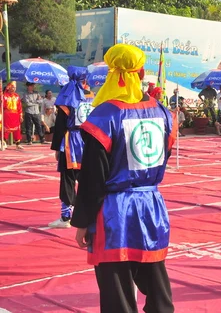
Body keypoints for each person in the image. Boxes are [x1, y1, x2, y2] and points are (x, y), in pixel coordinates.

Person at [71, 43, 175, 313]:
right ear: (140, 73)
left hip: (114, 210)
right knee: (154, 275)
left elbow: (93, 176)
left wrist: (82, 220)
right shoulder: (162, 112)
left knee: (116, 284)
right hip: (151, 204)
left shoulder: (105, 116)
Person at [49, 66, 95, 228]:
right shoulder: (92, 96)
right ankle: (90, 213)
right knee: (86, 178)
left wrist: (56, 148)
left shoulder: (67, 96)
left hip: (70, 142)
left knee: (67, 179)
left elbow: (61, 125)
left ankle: (65, 217)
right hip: (88, 141)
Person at [2, 81, 24, 149]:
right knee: (6, 129)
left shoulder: (17, 96)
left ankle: (17, 143)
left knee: (17, 129)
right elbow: (2, 106)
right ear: (8, 87)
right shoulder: (4, 96)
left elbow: (19, 107)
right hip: (7, 114)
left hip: (15, 115)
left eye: (14, 87)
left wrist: (20, 115)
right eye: (12, 87)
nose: (13, 89)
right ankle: (3, 142)